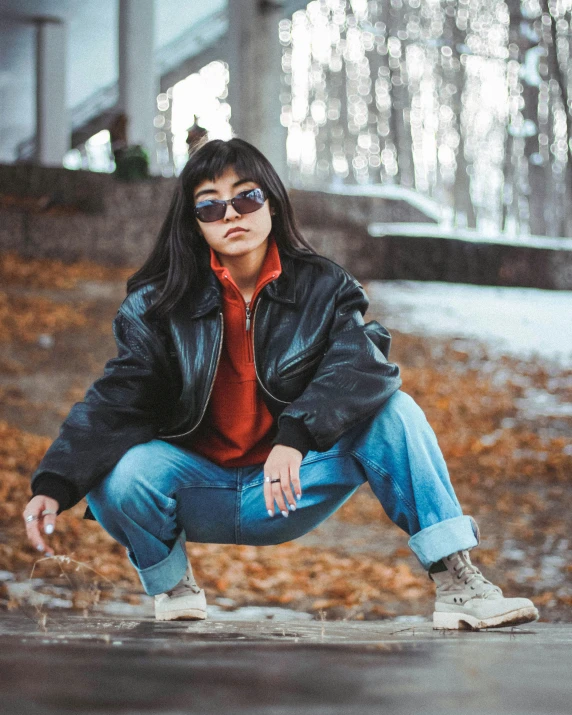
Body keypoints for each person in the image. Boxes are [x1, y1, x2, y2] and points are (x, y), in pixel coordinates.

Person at [23, 138, 538, 629]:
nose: (230, 215)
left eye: (246, 198)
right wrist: (55, 482)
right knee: (119, 473)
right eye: (209, 206)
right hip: (195, 487)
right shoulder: (158, 305)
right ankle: (173, 586)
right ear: (193, 223)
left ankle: (457, 583)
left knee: (395, 412)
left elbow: (361, 363)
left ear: (271, 204)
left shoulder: (323, 286)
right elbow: (117, 399)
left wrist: (296, 435)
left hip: (289, 487)